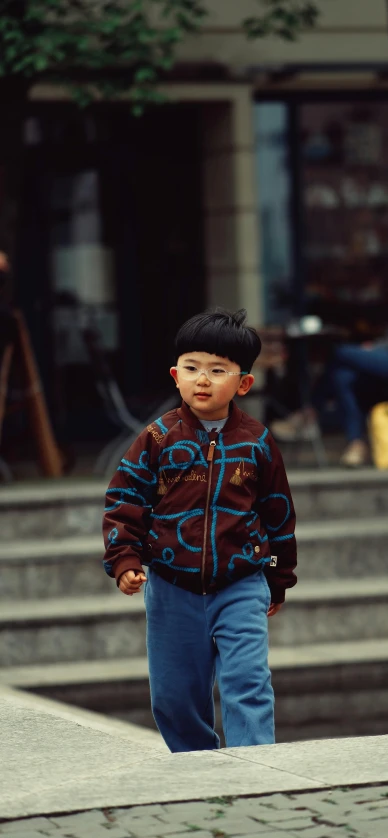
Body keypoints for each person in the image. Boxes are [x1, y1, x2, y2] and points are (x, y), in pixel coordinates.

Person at [102, 307, 297, 752]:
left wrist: (278, 579)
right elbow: (124, 499)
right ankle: (197, 767)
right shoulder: (156, 438)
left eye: (217, 370)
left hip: (240, 583)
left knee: (247, 681)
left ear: (243, 383)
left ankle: (257, 770)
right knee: (174, 697)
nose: (202, 379)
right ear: (175, 375)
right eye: (191, 368)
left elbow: (278, 512)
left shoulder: (257, 443)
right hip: (172, 586)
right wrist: (125, 559)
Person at [272, 246, 388, 467]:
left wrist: (376, 348)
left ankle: (311, 414)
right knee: (343, 375)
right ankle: (354, 444)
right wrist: (378, 347)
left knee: (341, 354)